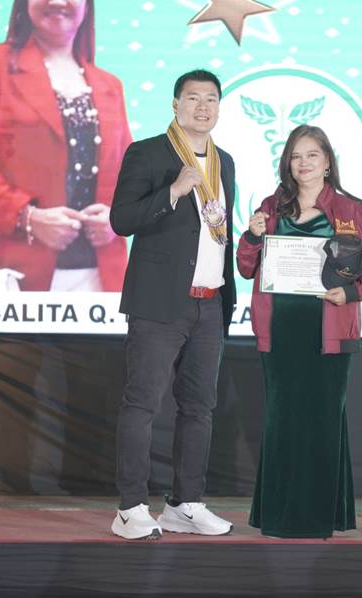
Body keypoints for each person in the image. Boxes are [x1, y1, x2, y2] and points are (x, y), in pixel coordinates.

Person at [237, 125, 362, 538]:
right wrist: (251, 236)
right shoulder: (271, 207)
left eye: (312, 155)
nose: (303, 163)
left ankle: (322, 516)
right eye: (295, 156)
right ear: (287, 163)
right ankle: (278, 516)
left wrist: (350, 292)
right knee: (282, 421)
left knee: (324, 421)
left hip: (330, 329)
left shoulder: (355, 211)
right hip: (279, 330)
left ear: (327, 162)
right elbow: (246, 267)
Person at [108, 70, 236, 540]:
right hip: (160, 304)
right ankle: (129, 508)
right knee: (142, 404)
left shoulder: (224, 162)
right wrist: (172, 192)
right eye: (193, 98)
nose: (203, 106)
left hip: (210, 303)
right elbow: (121, 220)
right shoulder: (147, 153)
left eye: (211, 99)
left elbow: (216, 228)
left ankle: (185, 504)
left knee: (199, 408)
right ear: (175, 105)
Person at [0, 0, 130, 292]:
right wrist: (26, 216)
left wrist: (119, 218)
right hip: (11, 273)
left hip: (101, 279)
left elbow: (132, 176)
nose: (56, 2)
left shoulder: (110, 85)